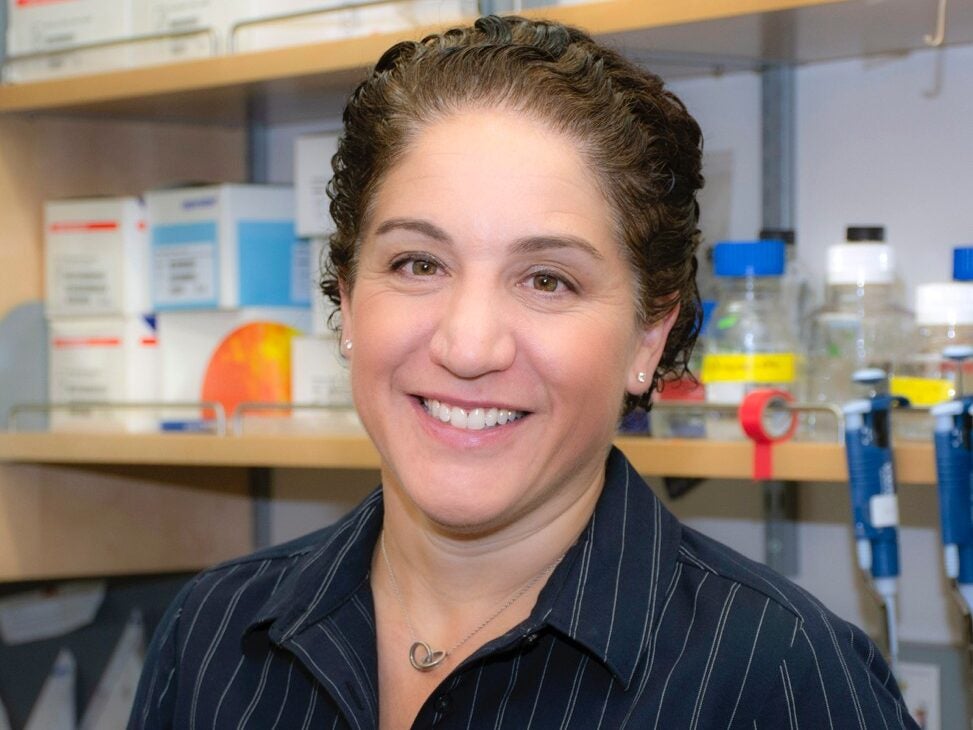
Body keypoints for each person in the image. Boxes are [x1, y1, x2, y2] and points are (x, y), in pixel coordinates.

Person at [129, 15, 917, 729]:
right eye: (416, 263)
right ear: (346, 297)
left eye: (548, 280)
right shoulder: (216, 633)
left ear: (651, 334)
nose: (469, 347)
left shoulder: (779, 676)